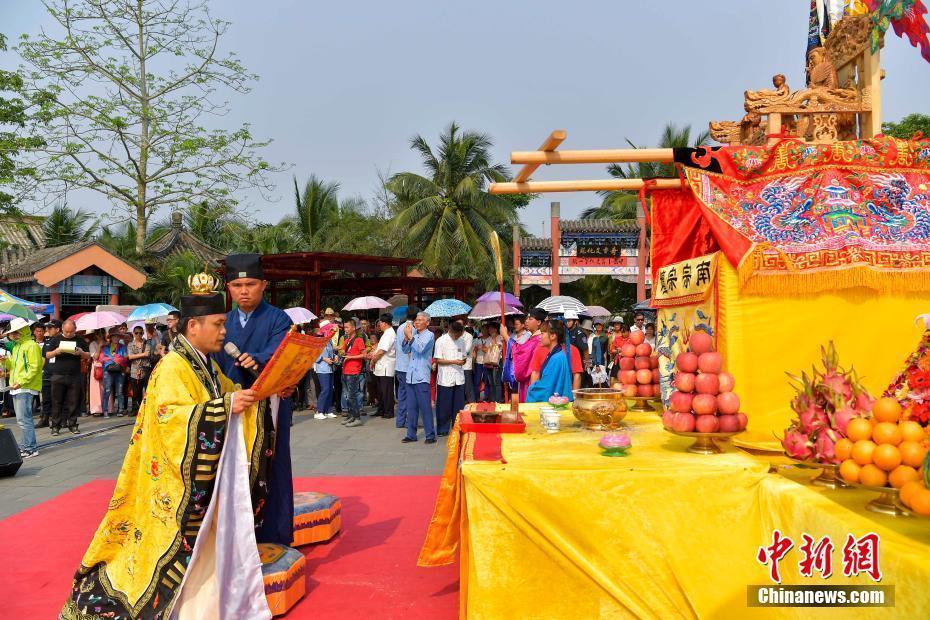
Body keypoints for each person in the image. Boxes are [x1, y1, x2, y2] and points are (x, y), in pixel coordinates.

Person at [60, 275, 272, 620]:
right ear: (194, 325)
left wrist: (260, 393)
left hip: (204, 477)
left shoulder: (207, 364)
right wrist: (222, 408)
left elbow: (233, 392)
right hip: (171, 481)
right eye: (218, 324)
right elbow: (169, 418)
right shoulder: (172, 367)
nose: (224, 331)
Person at [215, 253, 296, 546]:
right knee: (230, 468)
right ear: (229, 288)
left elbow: (282, 352)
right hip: (231, 405)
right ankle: (233, 539)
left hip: (268, 404)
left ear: (263, 284)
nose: (244, 291)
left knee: (272, 465)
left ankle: (274, 534)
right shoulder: (222, 321)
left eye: (250, 283)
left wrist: (258, 358)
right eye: (237, 285)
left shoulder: (278, 318)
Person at [3, 318, 43, 458]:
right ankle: (26, 446)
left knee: (24, 419)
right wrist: (5, 361)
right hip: (18, 386)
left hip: (24, 386)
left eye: (16, 332)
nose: (13, 335)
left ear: (23, 330)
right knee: (23, 419)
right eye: (12, 333)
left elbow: (35, 367)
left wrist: (21, 382)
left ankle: (31, 448)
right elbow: (13, 367)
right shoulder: (17, 346)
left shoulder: (31, 345)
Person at [45, 319, 90, 435]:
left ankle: (73, 425)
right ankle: (55, 426)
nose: (69, 334)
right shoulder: (56, 339)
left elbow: (88, 355)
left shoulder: (80, 339)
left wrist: (81, 352)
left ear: (75, 329)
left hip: (74, 375)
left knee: (73, 402)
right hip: (58, 375)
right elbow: (47, 355)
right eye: (66, 332)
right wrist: (56, 351)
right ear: (62, 329)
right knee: (56, 401)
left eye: (71, 331)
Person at [402, 311, 436, 444]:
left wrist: (410, 336)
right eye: (416, 320)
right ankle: (411, 434)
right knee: (411, 407)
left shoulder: (429, 335)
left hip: (421, 375)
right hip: (411, 375)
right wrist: (406, 338)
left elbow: (421, 349)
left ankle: (430, 435)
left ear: (427, 323)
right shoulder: (414, 335)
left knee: (425, 407)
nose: (417, 322)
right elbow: (405, 350)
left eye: (420, 320)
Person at [526, 320, 575, 403]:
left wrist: (532, 388)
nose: (539, 337)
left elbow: (546, 388)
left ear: (553, 336)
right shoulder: (557, 355)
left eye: (542, 333)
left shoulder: (556, 358)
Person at [434, 321, 466, 436]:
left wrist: (462, 361)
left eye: (460, 335)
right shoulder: (441, 341)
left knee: (458, 405)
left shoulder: (461, 341)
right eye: (457, 335)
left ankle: (456, 427)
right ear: (451, 332)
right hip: (445, 378)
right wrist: (453, 362)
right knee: (444, 405)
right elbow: (438, 360)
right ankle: (442, 429)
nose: (458, 337)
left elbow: (463, 357)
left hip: (459, 377)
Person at [340, 318, 367, 427]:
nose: (345, 329)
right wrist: (339, 358)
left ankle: (357, 418)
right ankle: (351, 416)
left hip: (354, 371)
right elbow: (343, 353)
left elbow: (364, 355)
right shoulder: (346, 340)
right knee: (348, 396)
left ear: (353, 327)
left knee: (352, 396)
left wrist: (350, 357)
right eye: (344, 327)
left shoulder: (359, 340)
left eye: (347, 327)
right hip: (345, 370)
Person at [393, 307, 416, 429]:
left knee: (402, 394)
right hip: (408, 366)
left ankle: (400, 421)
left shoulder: (400, 327)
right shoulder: (413, 329)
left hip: (400, 366)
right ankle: (408, 421)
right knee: (410, 395)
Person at [370, 313, 396, 419]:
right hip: (381, 365)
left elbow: (381, 351)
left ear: (384, 323)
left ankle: (388, 411)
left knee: (386, 390)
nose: (379, 325)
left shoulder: (389, 334)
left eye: (380, 323)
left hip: (386, 365)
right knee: (381, 390)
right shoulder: (386, 333)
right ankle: (381, 409)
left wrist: (373, 361)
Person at [99, 329, 129, 417]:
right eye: (113, 336)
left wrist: (116, 359)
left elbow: (125, 358)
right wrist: (116, 359)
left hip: (120, 371)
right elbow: (102, 359)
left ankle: (120, 410)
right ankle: (105, 410)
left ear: (119, 337)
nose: (115, 338)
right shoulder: (106, 347)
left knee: (120, 392)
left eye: (117, 336)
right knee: (107, 391)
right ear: (111, 338)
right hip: (108, 371)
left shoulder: (123, 347)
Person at [127, 324, 155, 416]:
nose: (138, 335)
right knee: (136, 393)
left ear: (143, 333)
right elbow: (130, 356)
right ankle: (135, 409)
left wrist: (137, 356)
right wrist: (142, 355)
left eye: (140, 333)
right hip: (135, 371)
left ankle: (147, 409)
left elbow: (148, 354)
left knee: (147, 391)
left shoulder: (147, 343)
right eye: (136, 333)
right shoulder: (131, 344)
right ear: (133, 334)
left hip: (146, 370)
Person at [313, 320, 337, 420]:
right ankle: (319, 411)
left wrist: (335, 356)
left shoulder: (329, 340)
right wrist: (323, 359)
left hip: (330, 368)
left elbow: (331, 351)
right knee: (325, 389)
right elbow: (313, 355)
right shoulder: (318, 340)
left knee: (330, 389)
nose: (332, 330)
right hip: (322, 368)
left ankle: (328, 410)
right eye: (330, 328)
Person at [34, 321, 51, 428]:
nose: (39, 333)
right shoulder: (31, 343)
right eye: (37, 331)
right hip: (32, 372)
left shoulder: (48, 343)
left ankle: (44, 415)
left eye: (41, 331)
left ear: (44, 332)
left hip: (44, 371)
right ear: (34, 332)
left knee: (43, 396)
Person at [88, 330, 105, 416]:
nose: (101, 336)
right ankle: (96, 409)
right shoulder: (92, 344)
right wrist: (99, 346)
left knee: (106, 388)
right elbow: (95, 357)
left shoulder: (107, 344)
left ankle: (106, 408)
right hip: (96, 368)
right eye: (99, 334)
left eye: (102, 334)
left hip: (105, 366)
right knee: (96, 389)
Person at [589, 320, 610, 388]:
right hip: (590, 359)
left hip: (600, 359)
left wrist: (598, 363)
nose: (598, 326)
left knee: (600, 378)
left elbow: (604, 350)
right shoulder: (591, 336)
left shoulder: (605, 337)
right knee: (591, 378)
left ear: (602, 326)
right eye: (597, 325)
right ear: (594, 326)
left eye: (600, 324)